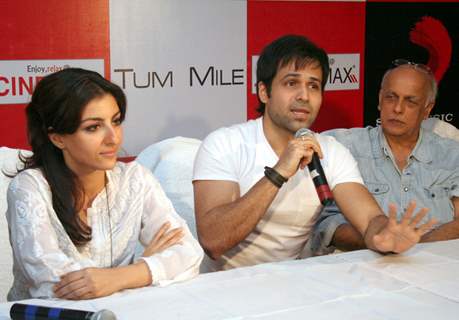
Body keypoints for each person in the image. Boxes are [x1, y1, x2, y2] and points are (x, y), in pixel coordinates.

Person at [192, 35, 436, 272]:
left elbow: (370, 219)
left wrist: (384, 235)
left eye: (313, 86)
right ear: (264, 92)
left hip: (290, 285)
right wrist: (278, 173)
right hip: (223, 288)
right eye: (291, 83)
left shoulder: (331, 151)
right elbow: (214, 241)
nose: (304, 96)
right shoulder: (224, 144)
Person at [5, 68, 203, 301]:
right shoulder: (29, 188)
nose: (113, 138)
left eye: (116, 121)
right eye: (93, 127)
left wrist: (119, 277)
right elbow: (55, 285)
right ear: (57, 137)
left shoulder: (135, 179)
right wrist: (145, 269)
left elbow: (188, 253)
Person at [313, 60, 459, 254]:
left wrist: (414, 250)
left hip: (436, 269)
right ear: (380, 99)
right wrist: (381, 242)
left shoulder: (452, 155)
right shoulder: (345, 147)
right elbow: (329, 224)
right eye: (391, 97)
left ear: (427, 109)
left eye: (410, 101)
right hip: (362, 269)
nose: (397, 108)